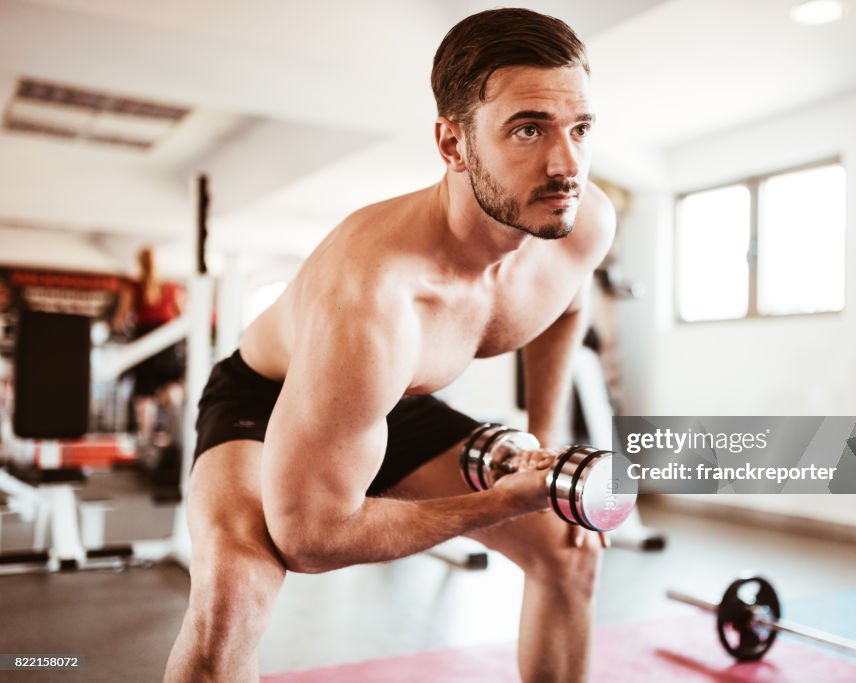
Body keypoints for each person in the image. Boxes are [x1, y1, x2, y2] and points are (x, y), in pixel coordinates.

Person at [164, 9, 615, 683]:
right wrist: (503, 499)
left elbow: (567, 303)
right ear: (452, 143)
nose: (566, 164)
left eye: (579, 128)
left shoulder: (579, 226)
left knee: (570, 547)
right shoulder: (374, 291)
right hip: (265, 400)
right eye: (528, 129)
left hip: (391, 398)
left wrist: (544, 436)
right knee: (233, 596)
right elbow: (309, 536)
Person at [116, 247, 186, 449]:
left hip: (145, 341)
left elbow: (121, 318)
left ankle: (145, 441)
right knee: (171, 389)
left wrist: (117, 325)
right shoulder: (171, 287)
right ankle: (177, 438)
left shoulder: (134, 286)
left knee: (145, 395)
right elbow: (182, 317)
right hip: (166, 342)